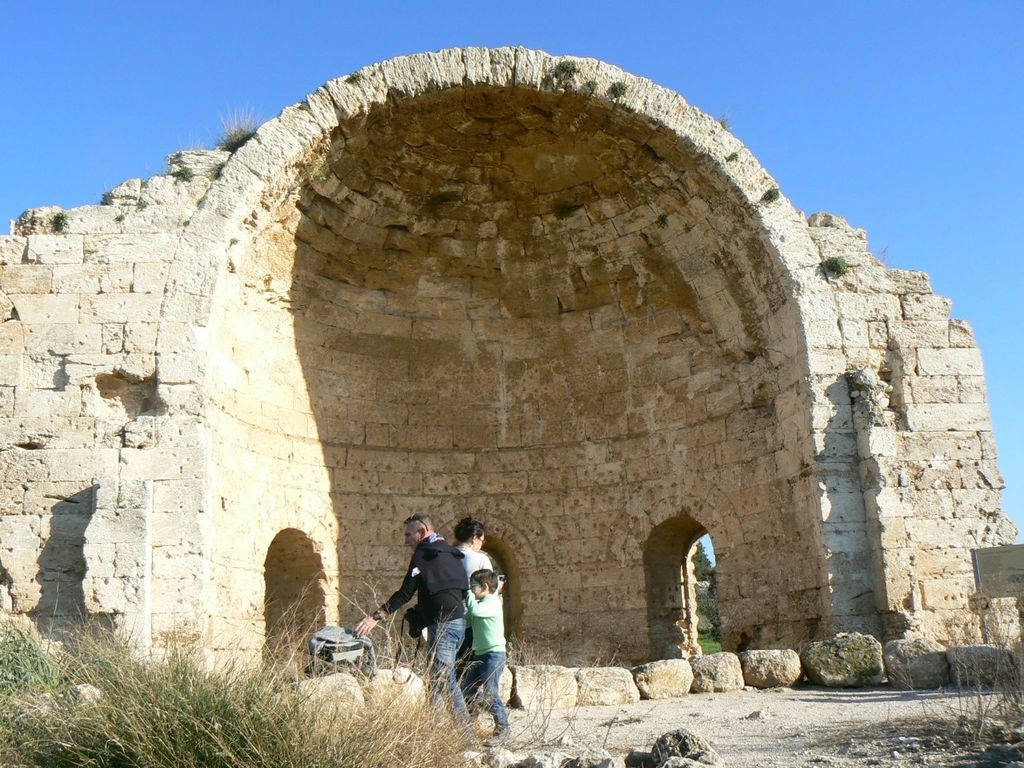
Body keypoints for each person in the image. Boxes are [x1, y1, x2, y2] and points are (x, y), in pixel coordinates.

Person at [354, 513, 470, 726]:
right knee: (436, 679)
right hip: (459, 623)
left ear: (422, 532)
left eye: (409, 535)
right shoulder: (450, 553)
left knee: (444, 679)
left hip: (443, 625)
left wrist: (376, 617)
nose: (405, 540)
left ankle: (468, 738)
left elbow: (405, 593)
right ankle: (432, 729)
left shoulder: (424, 555)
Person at [463, 568, 510, 741]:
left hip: (494, 655)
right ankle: (474, 718)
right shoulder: (481, 604)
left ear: (483, 587)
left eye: (472, 586)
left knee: (490, 693)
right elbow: (469, 618)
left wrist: (466, 593)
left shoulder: (492, 602)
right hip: (480, 654)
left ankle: (503, 728)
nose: (470, 589)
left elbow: (474, 612)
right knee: (467, 689)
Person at [453, 516, 493, 670]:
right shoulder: (480, 559)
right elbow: (489, 591)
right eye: (482, 540)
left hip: (445, 617)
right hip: (470, 620)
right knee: (468, 666)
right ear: (475, 538)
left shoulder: (445, 555)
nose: (481, 544)